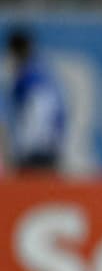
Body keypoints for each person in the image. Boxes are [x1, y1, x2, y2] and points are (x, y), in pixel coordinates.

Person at [3, 27, 67, 174]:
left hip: (33, 151)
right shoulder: (45, 72)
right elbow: (59, 114)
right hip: (51, 148)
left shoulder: (26, 77)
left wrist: (18, 151)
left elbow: (35, 113)